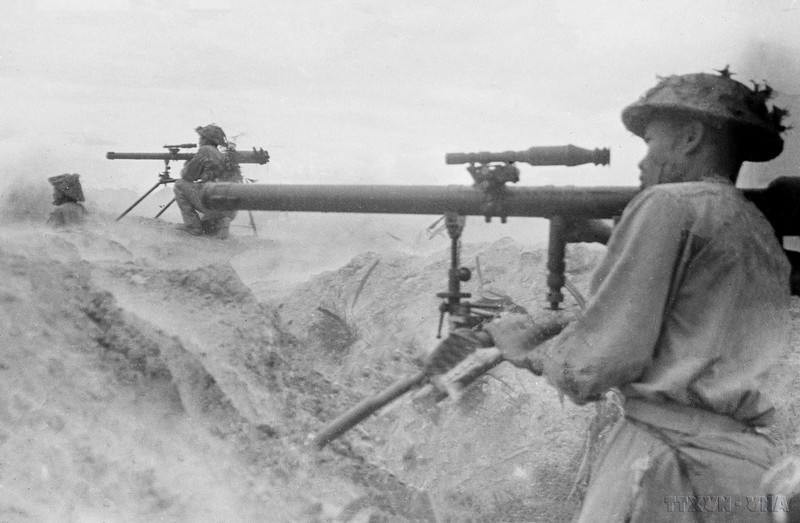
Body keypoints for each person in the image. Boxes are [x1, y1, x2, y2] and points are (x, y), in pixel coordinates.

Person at [425, 70, 793, 522]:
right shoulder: (758, 230)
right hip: (745, 474)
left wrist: (527, 350)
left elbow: (600, 363)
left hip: (668, 463)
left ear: (692, 137)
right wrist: (609, 240)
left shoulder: (668, 204)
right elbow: (694, 315)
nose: (643, 162)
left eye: (651, 142)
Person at [173, 124, 242, 239]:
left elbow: (187, 176)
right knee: (207, 227)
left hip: (213, 204)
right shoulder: (223, 156)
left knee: (179, 184)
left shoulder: (205, 150)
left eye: (201, 137)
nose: (200, 140)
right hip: (229, 209)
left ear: (206, 139)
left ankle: (193, 226)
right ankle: (220, 222)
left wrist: (188, 163)